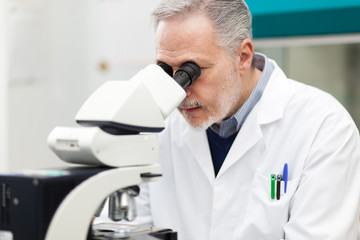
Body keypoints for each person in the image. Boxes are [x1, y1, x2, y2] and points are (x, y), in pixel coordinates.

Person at [135, 0, 360, 239]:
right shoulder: (157, 127)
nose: (180, 91)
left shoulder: (324, 128)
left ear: (242, 57)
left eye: (191, 71)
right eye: (166, 70)